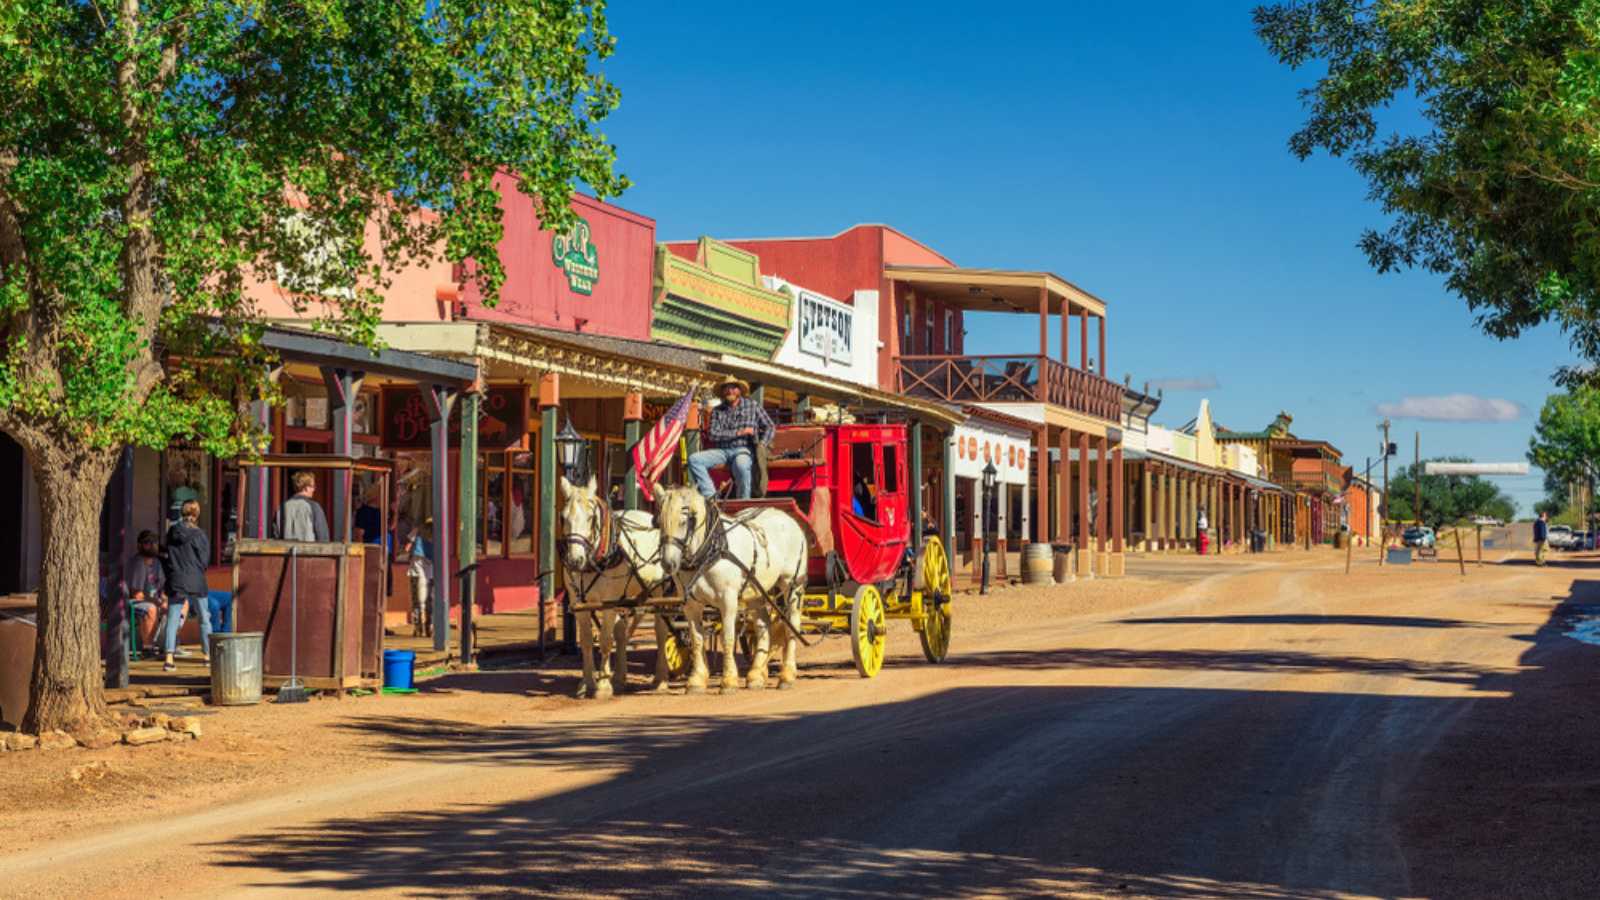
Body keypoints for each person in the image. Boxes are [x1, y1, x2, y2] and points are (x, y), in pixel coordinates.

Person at [687, 377, 775, 500]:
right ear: (723, 392)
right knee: (694, 459)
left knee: (741, 465)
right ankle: (712, 497)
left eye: (733, 387)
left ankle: (742, 503)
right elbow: (713, 435)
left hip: (743, 449)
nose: (729, 391)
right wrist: (739, 432)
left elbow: (770, 426)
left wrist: (762, 444)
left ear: (739, 390)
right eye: (726, 388)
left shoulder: (752, 406)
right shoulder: (717, 411)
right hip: (722, 451)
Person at [164, 500, 212, 671]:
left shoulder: (172, 532)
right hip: (196, 580)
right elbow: (205, 561)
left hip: (177, 579)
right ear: (197, 514)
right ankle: (207, 655)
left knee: (172, 618)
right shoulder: (200, 535)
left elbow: (167, 554)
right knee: (204, 618)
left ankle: (169, 658)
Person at [123, 530, 167, 653]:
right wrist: (158, 602)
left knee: (176, 605)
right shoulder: (138, 563)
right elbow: (137, 595)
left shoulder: (157, 562)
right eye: (147, 543)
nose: (151, 545)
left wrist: (164, 598)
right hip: (132, 601)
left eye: (153, 542)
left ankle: (167, 645)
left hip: (153, 599)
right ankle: (147, 648)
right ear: (140, 545)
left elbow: (162, 587)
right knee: (151, 608)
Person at [276, 470, 330, 542]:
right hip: (309, 552)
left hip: (287, 552)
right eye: (313, 486)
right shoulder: (313, 506)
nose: (314, 489)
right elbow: (323, 537)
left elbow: (276, 535)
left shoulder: (282, 507)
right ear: (306, 488)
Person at [406, 519, 435, 637]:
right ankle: (430, 627)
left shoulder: (417, 530)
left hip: (416, 572)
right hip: (431, 572)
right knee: (430, 601)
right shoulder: (440, 532)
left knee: (416, 601)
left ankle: (419, 628)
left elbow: (407, 548)